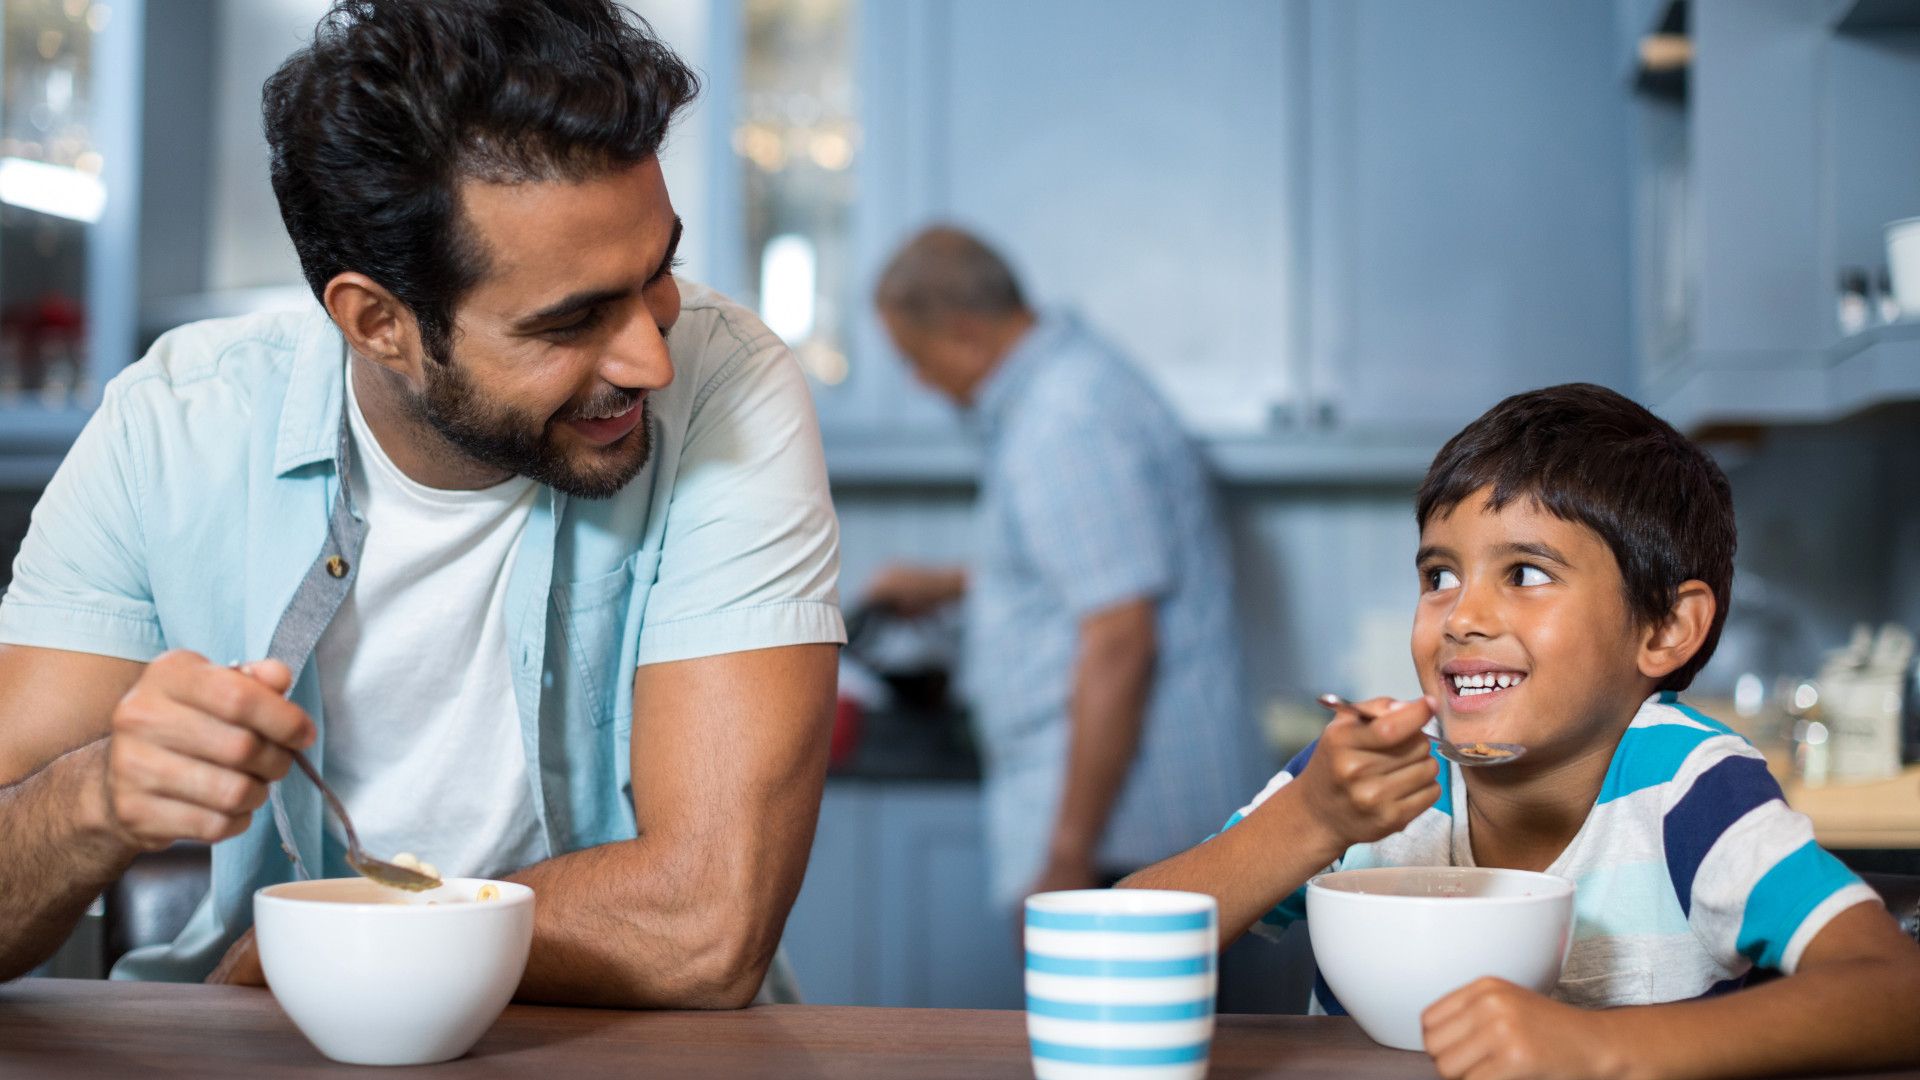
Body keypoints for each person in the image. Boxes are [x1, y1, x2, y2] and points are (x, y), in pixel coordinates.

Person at [0, 0, 843, 1008]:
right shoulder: (171, 430)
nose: (651, 357)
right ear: (379, 323)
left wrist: (313, 951)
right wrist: (96, 797)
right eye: (571, 320)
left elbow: (705, 924)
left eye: (657, 272)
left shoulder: (732, 384)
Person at [1122, 384, 1920, 1077]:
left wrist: (1601, 1051)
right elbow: (1119, 949)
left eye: (1527, 574)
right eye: (1439, 576)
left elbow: (1897, 991)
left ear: (1667, 628)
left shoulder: (1691, 789)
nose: (1462, 617)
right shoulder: (1371, 777)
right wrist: (1313, 820)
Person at [864, 226, 1267, 910]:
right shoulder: (1069, 391)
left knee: (1122, 1021)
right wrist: (949, 583)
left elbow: (1119, 637)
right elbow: (1085, 570)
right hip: (1133, 826)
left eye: (916, 356)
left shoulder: (1064, 419)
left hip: (1128, 835)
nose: (917, 379)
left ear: (963, 330)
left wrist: (1065, 855)